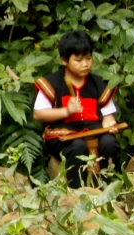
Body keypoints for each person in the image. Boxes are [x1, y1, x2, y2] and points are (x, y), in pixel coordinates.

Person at [33, 31, 121, 188]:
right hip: (63, 134)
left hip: (94, 131)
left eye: (89, 58)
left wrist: (109, 124)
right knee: (78, 146)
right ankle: (76, 191)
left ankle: (112, 188)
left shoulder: (98, 83)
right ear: (64, 60)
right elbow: (38, 114)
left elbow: (108, 115)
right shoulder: (52, 82)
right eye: (79, 60)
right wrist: (66, 111)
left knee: (110, 142)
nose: (85, 64)